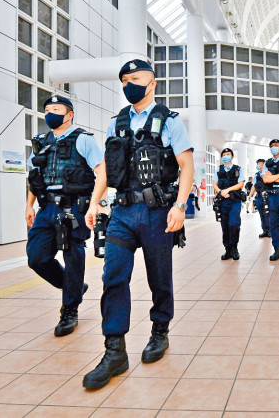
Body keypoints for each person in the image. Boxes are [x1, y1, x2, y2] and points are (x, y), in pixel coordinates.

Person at [83, 59, 194, 390]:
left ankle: (160, 331)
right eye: (125, 79)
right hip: (122, 213)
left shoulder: (170, 121)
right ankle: (114, 350)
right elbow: (105, 170)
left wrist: (180, 205)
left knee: (159, 277)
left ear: (152, 82)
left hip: (158, 211)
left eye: (136, 78)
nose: (129, 83)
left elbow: (186, 166)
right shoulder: (116, 123)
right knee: (113, 276)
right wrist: (94, 202)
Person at [25, 95, 103, 337]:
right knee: (36, 257)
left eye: (56, 109)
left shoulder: (83, 140)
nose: (50, 113)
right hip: (46, 208)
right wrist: (29, 206)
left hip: (74, 207)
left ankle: (70, 309)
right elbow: (34, 177)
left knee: (73, 256)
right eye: (47, 109)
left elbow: (102, 173)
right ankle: (74, 286)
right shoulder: (40, 142)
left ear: (69, 114)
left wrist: (95, 205)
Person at [213, 148, 245, 260]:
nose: (226, 156)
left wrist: (228, 190)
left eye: (228, 154)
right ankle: (227, 250)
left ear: (232, 157)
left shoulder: (238, 169)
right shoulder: (218, 169)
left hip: (234, 200)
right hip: (223, 200)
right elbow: (214, 184)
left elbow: (240, 183)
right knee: (225, 226)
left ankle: (234, 248)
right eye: (224, 154)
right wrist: (221, 192)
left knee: (234, 224)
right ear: (222, 157)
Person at [249, 159, 270, 238]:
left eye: (260, 163)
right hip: (259, 197)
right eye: (257, 163)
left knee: (268, 214)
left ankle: (270, 230)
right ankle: (264, 230)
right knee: (261, 214)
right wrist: (250, 195)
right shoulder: (257, 175)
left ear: (264, 164)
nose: (258, 165)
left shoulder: (268, 173)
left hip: (267, 196)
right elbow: (254, 186)